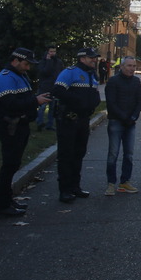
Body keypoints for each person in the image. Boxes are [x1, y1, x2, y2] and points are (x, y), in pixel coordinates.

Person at [0, 48, 51, 218]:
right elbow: (10, 104)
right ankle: (1, 205)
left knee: (14, 164)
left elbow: (22, 100)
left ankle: (8, 200)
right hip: (10, 127)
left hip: (20, 126)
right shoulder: (5, 78)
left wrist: (36, 99)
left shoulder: (19, 76)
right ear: (15, 61)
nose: (28, 68)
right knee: (9, 165)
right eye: (26, 64)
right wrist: (35, 100)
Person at [52, 46, 102, 203]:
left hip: (83, 119)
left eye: (94, 57)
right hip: (69, 119)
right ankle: (64, 190)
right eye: (91, 57)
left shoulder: (91, 74)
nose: (94, 60)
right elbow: (58, 91)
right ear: (82, 58)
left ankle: (75, 186)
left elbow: (94, 93)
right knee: (66, 154)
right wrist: (77, 101)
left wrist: (94, 102)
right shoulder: (70, 72)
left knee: (79, 153)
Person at [104, 56, 141, 196]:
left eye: (133, 66)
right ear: (121, 67)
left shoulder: (136, 81)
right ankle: (110, 183)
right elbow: (111, 103)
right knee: (113, 153)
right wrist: (124, 117)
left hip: (130, 123)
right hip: (116, 122)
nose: (132, 68)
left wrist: (133, 117)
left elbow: (140, 101)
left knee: (129, 154)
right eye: (129, 66)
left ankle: (125, 182)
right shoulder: (113, 81)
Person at [34, 46, 62, 130]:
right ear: (47, 52)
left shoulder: (58, 62)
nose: (53, 53)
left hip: (54, 87)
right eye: (51, 51)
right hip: (44, 87)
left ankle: (49, 125)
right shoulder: (42, 62)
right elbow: (45, 72)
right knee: (42, 107)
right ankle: (40, 123)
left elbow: (60, 73)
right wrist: (49, 61)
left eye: (54, 51)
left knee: (52, 107)